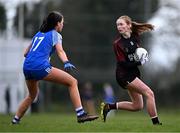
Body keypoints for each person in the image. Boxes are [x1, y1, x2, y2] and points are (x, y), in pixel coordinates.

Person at [11, 11, 98, 124]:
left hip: (27, 67)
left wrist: (38, 54)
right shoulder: (55, 35)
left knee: (32, 96)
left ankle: (15, 120)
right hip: (40, 66)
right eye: (62, 22)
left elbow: (25, 53)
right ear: (57, 24)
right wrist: (66, 62)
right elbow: (60, 51)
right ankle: (81, 114)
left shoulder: (38, 34)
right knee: (72, 82)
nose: (63, 25)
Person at [100, 15, 162, 125]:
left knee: (137, 106)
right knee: (149, 93)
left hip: (134, 74)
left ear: (129, 25)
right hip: (124, 75)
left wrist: (142, 56)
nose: (119, 27)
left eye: (121, 24)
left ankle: (108, 106)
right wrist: (140, 62)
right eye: (117, 25)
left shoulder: (135, 36)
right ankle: (156, 124)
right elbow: (123, 64)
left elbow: (137, 54)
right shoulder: (117, 44)